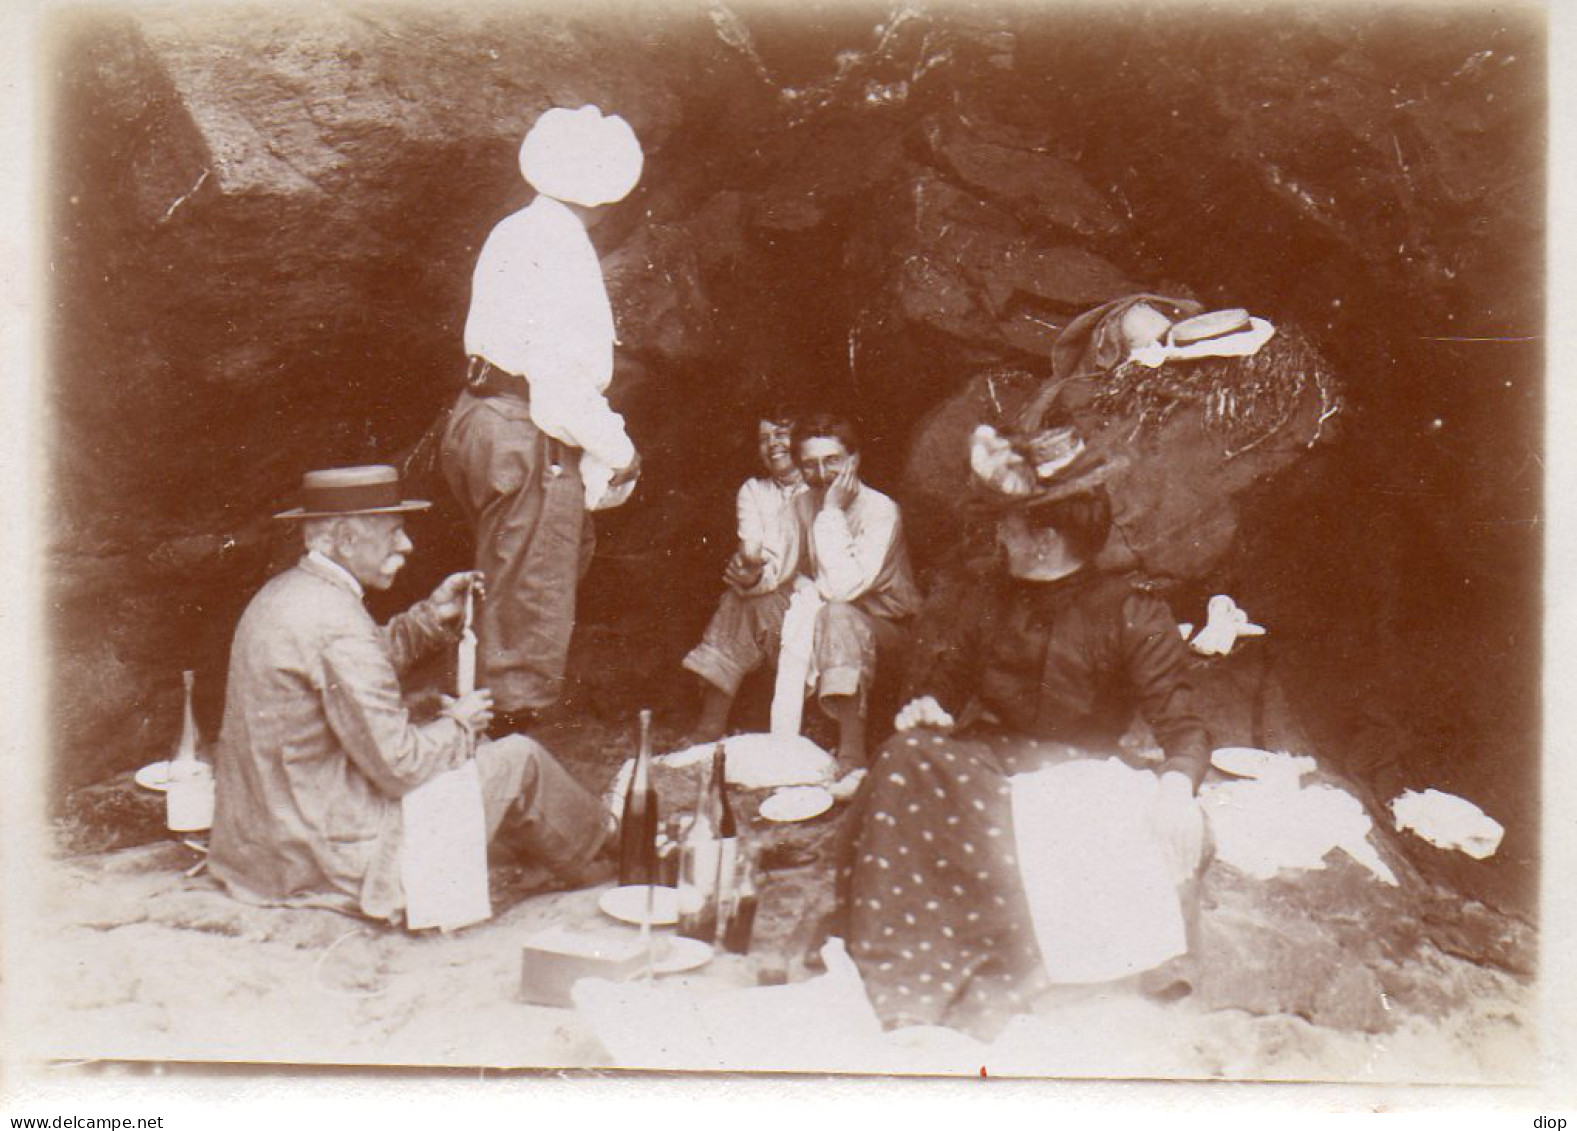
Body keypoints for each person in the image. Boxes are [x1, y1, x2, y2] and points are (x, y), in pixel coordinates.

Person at [839, 424, 1210, 1038]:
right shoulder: (991, 596)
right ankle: (908, 960)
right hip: (991, 764)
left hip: (1077, 774)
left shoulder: (1130, 607)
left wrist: (1177, 786)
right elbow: (948, 686)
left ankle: (1018, 961)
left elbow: (1184, 725)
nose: (1001, 535)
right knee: (906, 758)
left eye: (1011, 526)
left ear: (1046, 539)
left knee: (1101, 817)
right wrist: (928, 708)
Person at [209, 465, 615, 925]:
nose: (406, 545)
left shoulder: (286, 594)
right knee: (518, 758)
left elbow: (355, 666)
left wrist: (430, 618)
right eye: (394, 532)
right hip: (328, 858)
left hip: (264, 849)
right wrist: (461, 723)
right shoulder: (336, 624)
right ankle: (611, 861)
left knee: (470, 753)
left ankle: (603, 845)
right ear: (343, 538)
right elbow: (401, 767)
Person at [441, 104, 644, 736]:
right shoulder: (563, 250)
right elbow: (559, 385)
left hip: (477, 416)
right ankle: (501, 745)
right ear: (609, 194)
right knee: (530, 600)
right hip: (526, 427)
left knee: (504, 583)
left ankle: (476, 721)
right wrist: (620, 449)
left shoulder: (516, 230)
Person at [784, 413, 922, 768]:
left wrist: (831, 512)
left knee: (838, 614)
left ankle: (851, 750)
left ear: (854, 459)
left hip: (890, 633)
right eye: (809, 465)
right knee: (765, 603)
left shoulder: (880, 510)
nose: (822, 474)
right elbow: (791, 568)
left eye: (832, 461)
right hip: (831, 625)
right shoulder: (801, 503)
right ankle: (714, 726)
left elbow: (844, 588)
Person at [681, 410, 807, 742]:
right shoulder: (754, 490)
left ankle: (710, 724)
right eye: (764, 439)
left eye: (781, 434)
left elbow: (793, 561)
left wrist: (755, 577)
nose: (773, 445)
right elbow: (753, 547)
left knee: (745, 602)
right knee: (740, 599)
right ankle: (710, 724)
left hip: (813, 595)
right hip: (772, 596)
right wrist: (747, 570)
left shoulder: (819, 486)